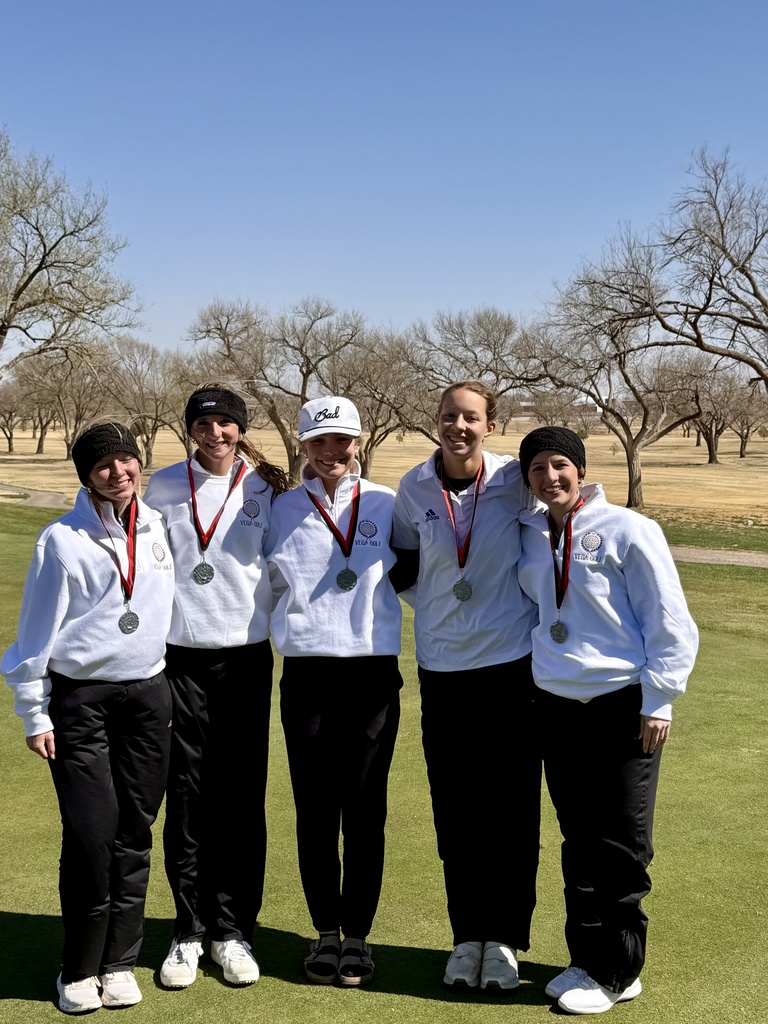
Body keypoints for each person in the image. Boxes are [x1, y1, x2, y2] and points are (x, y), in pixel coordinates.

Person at [516, 426, 698, 1015]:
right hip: (556, 706)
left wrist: (659, 698)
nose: (551, 477)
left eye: (560, 464)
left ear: (581, 468)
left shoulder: (628, 529)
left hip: (621, 706)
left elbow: (668, 618)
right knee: (579, 840)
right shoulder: (529, 533)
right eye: (539, 468)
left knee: (621, 844)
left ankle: (618, 971)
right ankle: (587, 957)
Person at [1, 422, 175, 1014]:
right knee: (91, 837)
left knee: (134, 832)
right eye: (104, 465)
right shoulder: (62, 539)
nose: (119, 473)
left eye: (127, 460)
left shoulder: (157, 526)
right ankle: (78, 968)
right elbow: (34, 632)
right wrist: (34, 712)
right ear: (86, 474)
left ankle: (121, 961)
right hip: (83, 703)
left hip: (149, 697)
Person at [391, 380, 540, 992]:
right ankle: (465, 937)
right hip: (443, 669)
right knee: (456, 813)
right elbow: (403, 562)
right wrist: (434, 608)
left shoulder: (512, 481)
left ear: (491, 425)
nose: (459, 426)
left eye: (471, 417)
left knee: (509, 813)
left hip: (511, 668)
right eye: (450, 416)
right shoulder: (412, 486)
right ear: (437, 421)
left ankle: (502, 941)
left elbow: (562, 515)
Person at [143, 384, 287, 989]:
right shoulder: (162, 487)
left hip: (248, 659)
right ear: (190, 430)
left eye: (227, 424)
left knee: (240, 795)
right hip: (180, 660)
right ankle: (188, 928)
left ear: (240, 429)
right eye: (205, 424)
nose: (216, 433)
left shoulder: (268, 488)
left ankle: (232, 931)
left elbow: (284, 567)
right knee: (188, 793)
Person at [264, 396, 402, 988]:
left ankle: (360, 935)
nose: (332, 453)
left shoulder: (388, 504)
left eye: (343, 440)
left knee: (365, 810)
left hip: (372, 673)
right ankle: (325, 931)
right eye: (319, 442)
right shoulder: (280, 509)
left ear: (360, 441)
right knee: (316, 810)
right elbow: (266, 584)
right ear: (302, 446)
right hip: (308, 674)